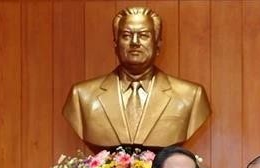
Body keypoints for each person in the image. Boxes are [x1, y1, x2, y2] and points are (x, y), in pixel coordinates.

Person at [62, 7, 211, 150]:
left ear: (157, 44)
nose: (134, 42)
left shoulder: (191, 96)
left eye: (144, 35)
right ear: (115, 44)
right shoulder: (82, 96)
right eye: (126, 36)